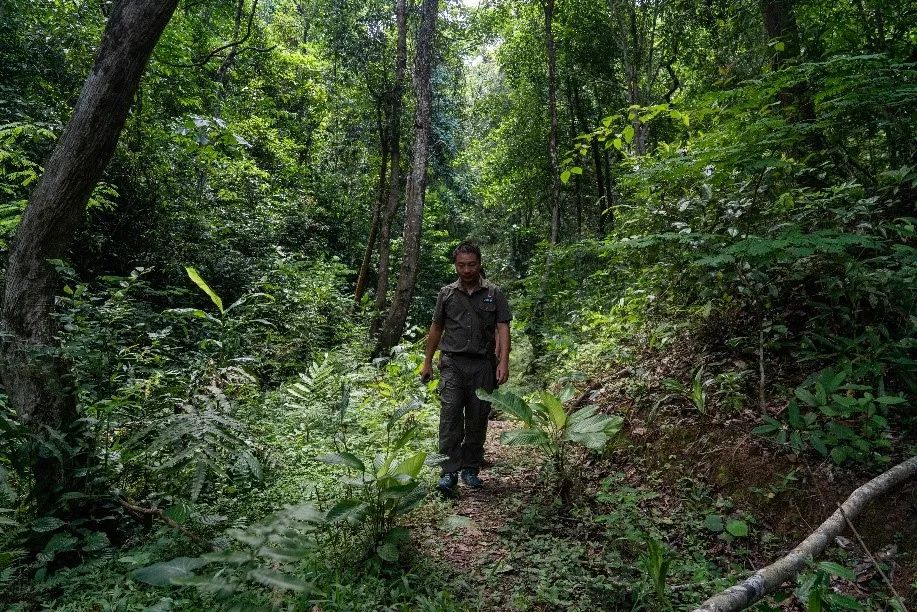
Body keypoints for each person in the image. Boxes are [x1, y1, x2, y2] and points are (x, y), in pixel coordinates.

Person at [420, 242, 511, 495]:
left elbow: (503, 327)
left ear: (479, 264)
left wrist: (503, 361)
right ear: (455, 266)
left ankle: (470, 468)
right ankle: (448, 472)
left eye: (472, 265)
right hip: (452, 363)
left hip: (482, 364)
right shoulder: (447, 293)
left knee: (477, 416)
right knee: (450, 416)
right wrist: (427, 362)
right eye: (462, 265)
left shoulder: (494, 293)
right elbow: (436, 327)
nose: (467, 270)